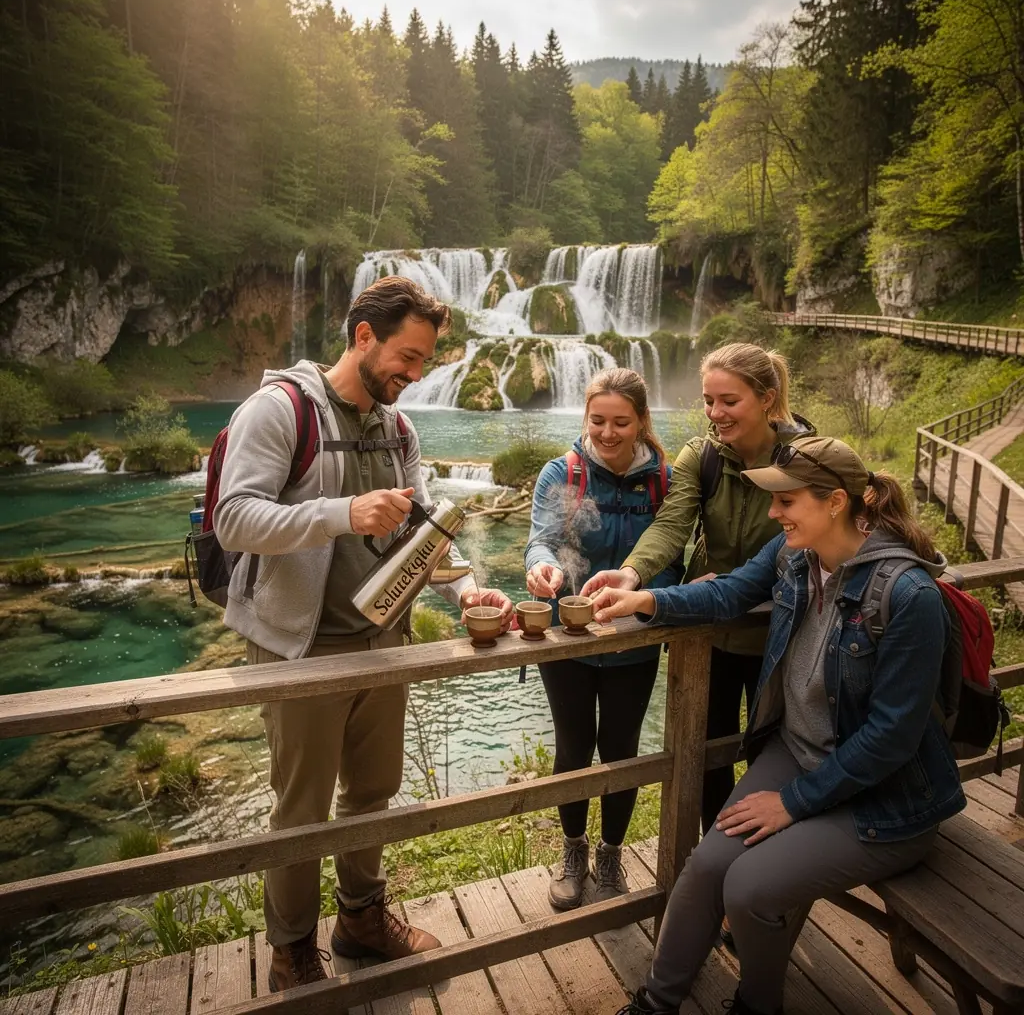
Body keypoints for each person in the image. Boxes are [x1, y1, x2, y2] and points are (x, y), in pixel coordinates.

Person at [589, 436, 966, 1015]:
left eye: (786, 501)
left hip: (887, 797)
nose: (773, 513)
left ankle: (757, 1005)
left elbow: (893, 737)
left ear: (835, 502)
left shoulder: (907, 595)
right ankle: (657, 1004)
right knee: (708, 866)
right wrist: (645, 601)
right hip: (802, 753)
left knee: (750, 888)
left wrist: (794, 802)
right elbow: (731, 592)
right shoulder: (796, 556)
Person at [215, 276, 513, 993]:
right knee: (301, 809)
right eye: (407, 358)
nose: (414, 376)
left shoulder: (398, 428)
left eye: (423, 363)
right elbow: (234, 519)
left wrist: (467, 584)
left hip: (386, 641)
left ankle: (361, 919)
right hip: (298, 645)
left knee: (372, 791)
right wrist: (342, 514)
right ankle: (291, 953)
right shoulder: (280, 409)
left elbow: (421, 529)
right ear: (362, 337)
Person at [583, 343, 815, 842]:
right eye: (709, 400)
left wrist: (676, 597)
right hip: (709, 632)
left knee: (774, 752)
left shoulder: (805, 461)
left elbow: (788, 552)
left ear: (767, 397)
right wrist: (632, 573)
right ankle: (717, 855)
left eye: (728, 401)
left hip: (783, 632)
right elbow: (672, 524)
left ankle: (767, 869)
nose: (715, 413)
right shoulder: (702, 455)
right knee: (705, 753)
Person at [525, 368, 685, 910]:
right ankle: (573, 851)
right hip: (567, 637)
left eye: (621, 422)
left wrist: (645, 599)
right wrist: (542, 569)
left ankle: (611, 854)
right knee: (572, 746)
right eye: (598, 421)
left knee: (621, 748)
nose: (608, 433)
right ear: (585, 418)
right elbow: (541, 542)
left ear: (642, 420)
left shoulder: (668, 481)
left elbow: (673, 559)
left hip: (634, 639)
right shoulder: (561, 473)